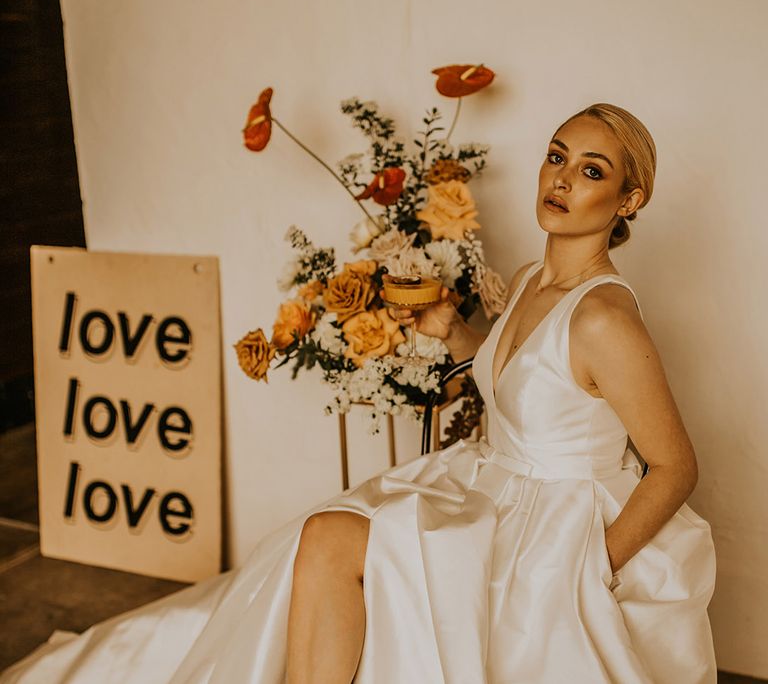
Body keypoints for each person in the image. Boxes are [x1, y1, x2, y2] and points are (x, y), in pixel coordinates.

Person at [1, 103, 717, 684]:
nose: (560, 179)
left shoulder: (605, 316)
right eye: (556, 156)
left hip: (552, 522)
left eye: (590, 170)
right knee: (318, 536)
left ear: (629, 198)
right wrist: (455, 333)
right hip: (491, 484)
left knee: (335, 541)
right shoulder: (534, 277)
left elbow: (675, 466)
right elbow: (532, 380)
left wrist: (588, 568)